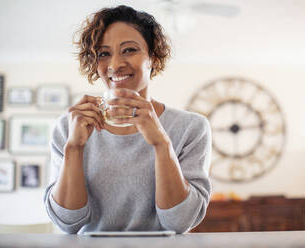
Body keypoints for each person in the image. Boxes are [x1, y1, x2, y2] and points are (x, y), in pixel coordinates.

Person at [44, 5, 212, 234]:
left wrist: (161, 144)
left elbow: (179, 222)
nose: (115, 64)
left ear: (152, 58)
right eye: (104, 54)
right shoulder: (69, 127)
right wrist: (74, 147)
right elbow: (67, 223)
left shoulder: (192, 127)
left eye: (129, 50)